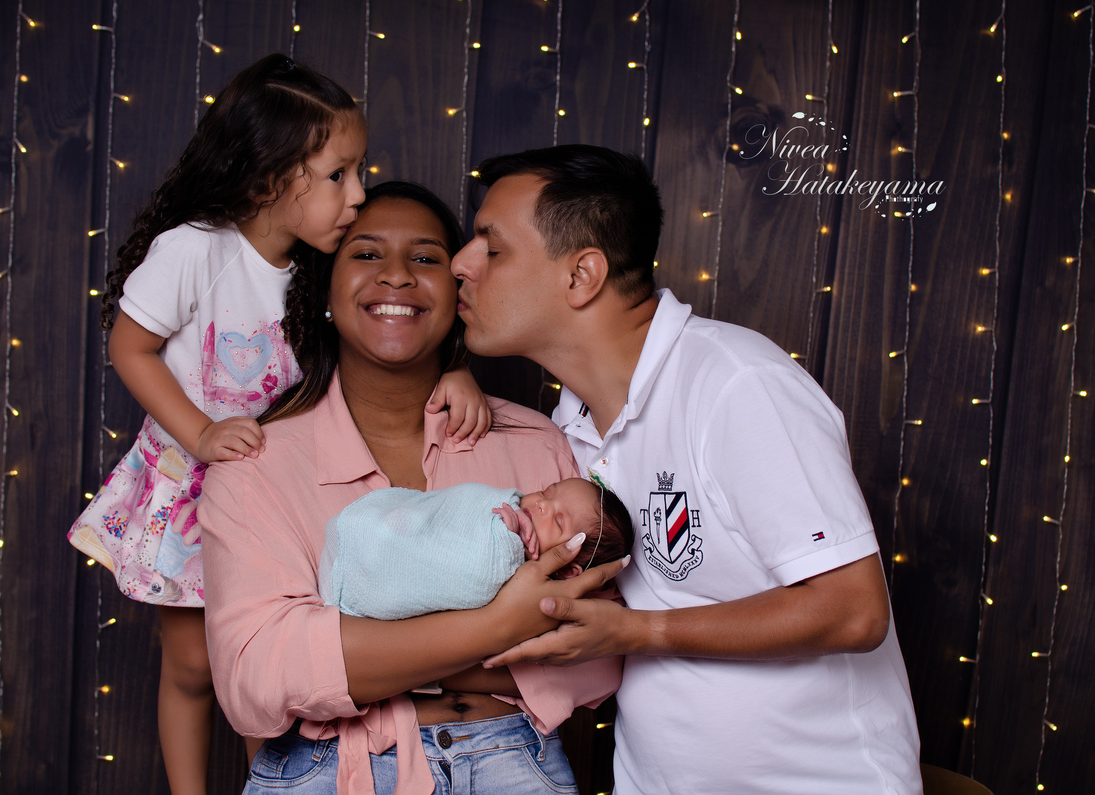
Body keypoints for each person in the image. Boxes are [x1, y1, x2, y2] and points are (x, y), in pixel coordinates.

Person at [65, 57, 490, 795]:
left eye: (360, 172)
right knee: (194, 665)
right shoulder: (195, 249)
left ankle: (281, 783)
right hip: (189, 486)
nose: (358, 196)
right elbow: (128, 348)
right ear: (269, 180)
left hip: (275, 495)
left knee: (271, 670)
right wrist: (201, 433)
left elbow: (380, 347)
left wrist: (454, 369)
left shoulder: (316, 269)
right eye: (339, 175)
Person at [450, 145, 923, 795]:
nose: (461, 263)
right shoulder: (568, 425)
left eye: (492, 247)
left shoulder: (736, 385)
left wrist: (638, 631)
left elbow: (854, 611)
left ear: (582, 275)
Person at [197, 180, 625, 795]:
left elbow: (601, 657)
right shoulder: (254, 464)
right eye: (367, 253)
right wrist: (502, 626)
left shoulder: (534, 443)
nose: (396, 275)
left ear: (459, 289)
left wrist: (368, 659)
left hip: (515, 762)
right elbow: (258, 678)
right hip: (332, 770)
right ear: (324, 288)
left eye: (425, 257)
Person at [319, 478, 633, 620]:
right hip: (368, 533)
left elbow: (475, 577)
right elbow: (462, 505)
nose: (541, 504)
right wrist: (503, 521)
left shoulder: (531, 598)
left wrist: (505, 544)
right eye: (547, 492)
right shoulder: (511, 508)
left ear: (567, 570)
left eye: (558, 520)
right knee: (399, 527)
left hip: (362, 581)